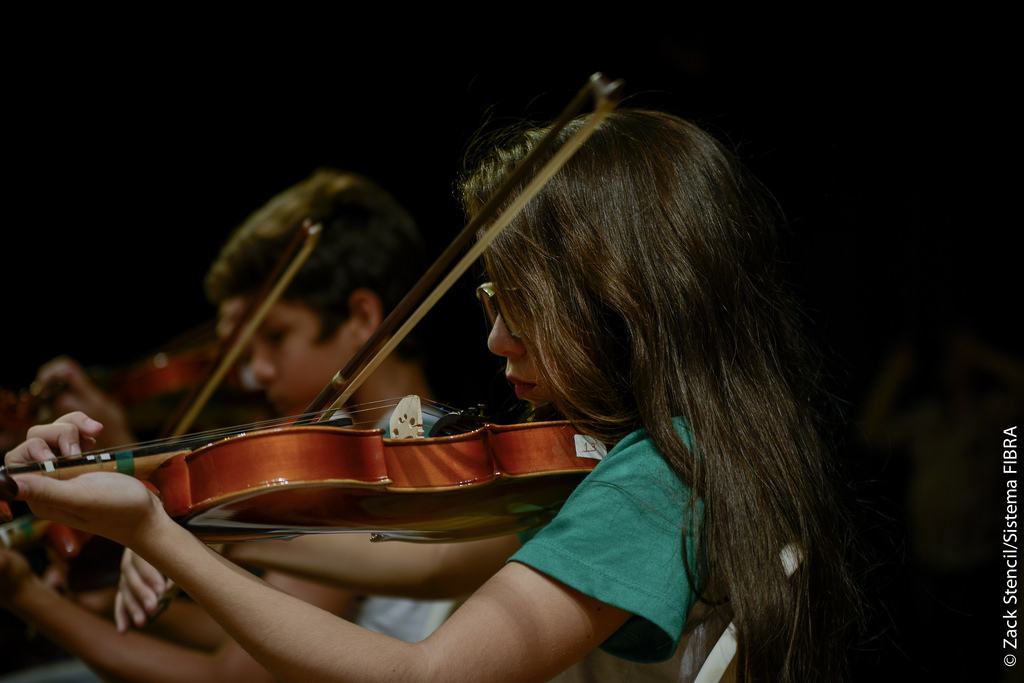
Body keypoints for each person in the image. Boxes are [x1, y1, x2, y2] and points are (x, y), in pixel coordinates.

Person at [5, 109, 863, 682]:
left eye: (513, 305)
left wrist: (155, 527)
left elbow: (429, 673)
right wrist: (193, 512)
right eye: (492, 305)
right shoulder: (659, 450)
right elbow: (425, 559)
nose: (493, 340)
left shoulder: (654, 479)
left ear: (615, 298)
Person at [0, 168, 467, 681]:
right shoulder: (329, 444)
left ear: (360, 316)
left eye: (277, 335)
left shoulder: (394, 455)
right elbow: (247, 629)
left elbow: (235, 674)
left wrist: (32, 594)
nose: (258, 371)